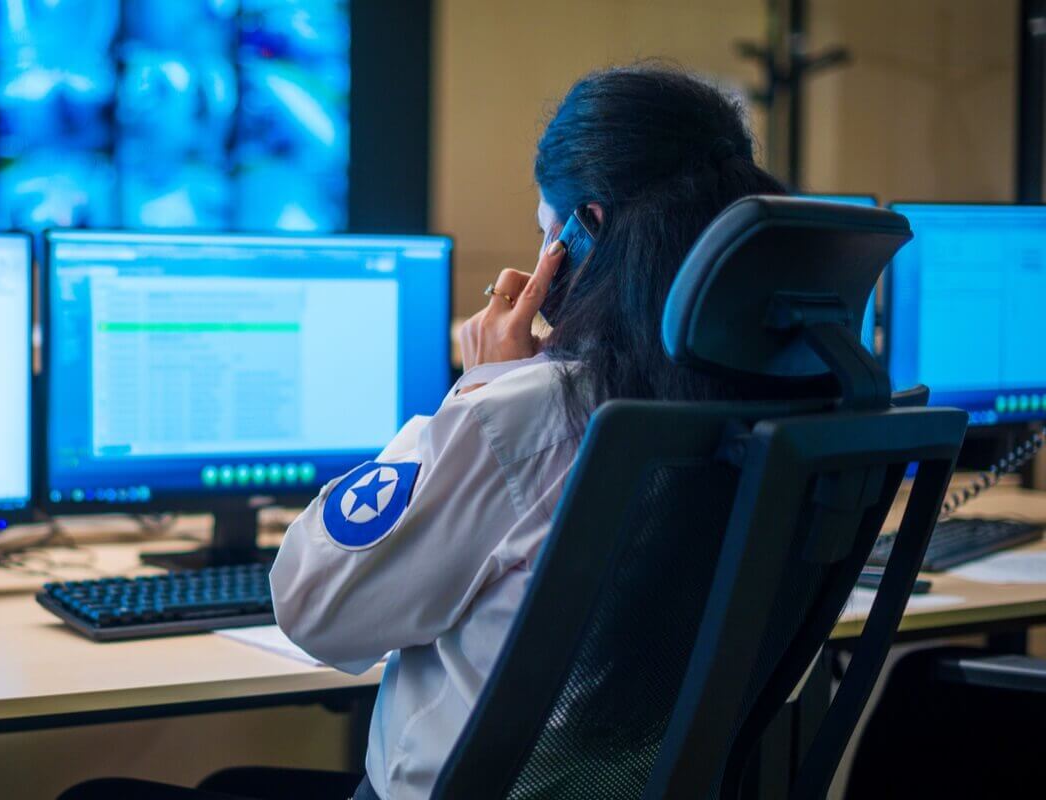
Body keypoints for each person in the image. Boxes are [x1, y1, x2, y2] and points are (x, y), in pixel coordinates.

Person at [59, 63, 790, 800]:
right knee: (233, 782)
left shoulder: (529, 414)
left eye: (546, 235)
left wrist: (480, 388)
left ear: (586, 230)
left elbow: (316, 608)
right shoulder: (784, 418)